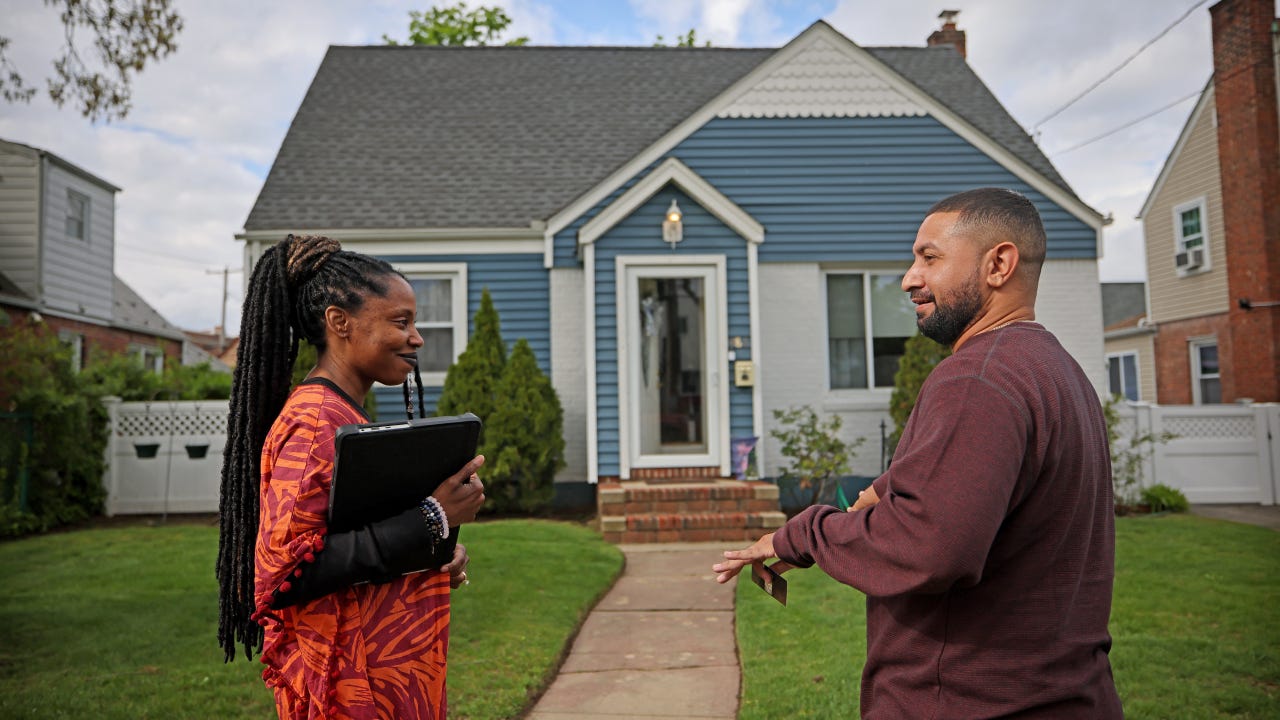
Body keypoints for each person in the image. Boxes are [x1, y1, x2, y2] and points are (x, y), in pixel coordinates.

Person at [714, 188, 1123, 718]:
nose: (909, 277)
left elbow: (928, 548)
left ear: (999, 264)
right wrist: (892, 487)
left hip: (970, 703)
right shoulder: (1053, 369)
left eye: (929, 258)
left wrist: (803, 533)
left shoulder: (977, 377)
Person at [216, 234, 486, 720]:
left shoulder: (345, 419)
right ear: (339, 322)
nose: (417, 338)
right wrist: (431, 518)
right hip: (349, 690)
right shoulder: (316, 420)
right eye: (400, 322)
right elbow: (281, 574)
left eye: (415, 323)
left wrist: (434, 549)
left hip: (386, 678)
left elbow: (356, 540)